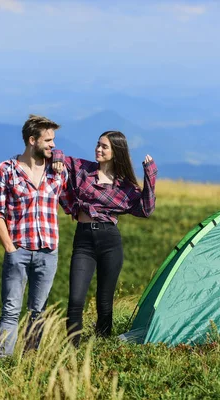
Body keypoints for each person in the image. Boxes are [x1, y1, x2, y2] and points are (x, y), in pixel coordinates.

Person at [52, 130, 157, 347]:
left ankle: (101, 347)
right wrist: (58, 161)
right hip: (83, 240)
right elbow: (58, 154)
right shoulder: (83, 169)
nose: (98, 149)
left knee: (104, 301)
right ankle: (72, 349)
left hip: (110, 241)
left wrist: (150, 174)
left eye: (104, 147)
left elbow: (146, 209)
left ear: (115, 151)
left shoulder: (124, 185)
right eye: (98, 144)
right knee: (76, 299)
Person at [0, 115, 68, 357]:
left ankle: (30, 361)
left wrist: (60, 157)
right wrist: (10, 250)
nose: (53, 145)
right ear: (32, 140)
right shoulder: (4, 171)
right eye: (48, 140)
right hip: (19, 250)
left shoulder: (58, 171)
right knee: (11, 310)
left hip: (48, 252)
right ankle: (3, 362)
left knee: (38, 311)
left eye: (54, 140)